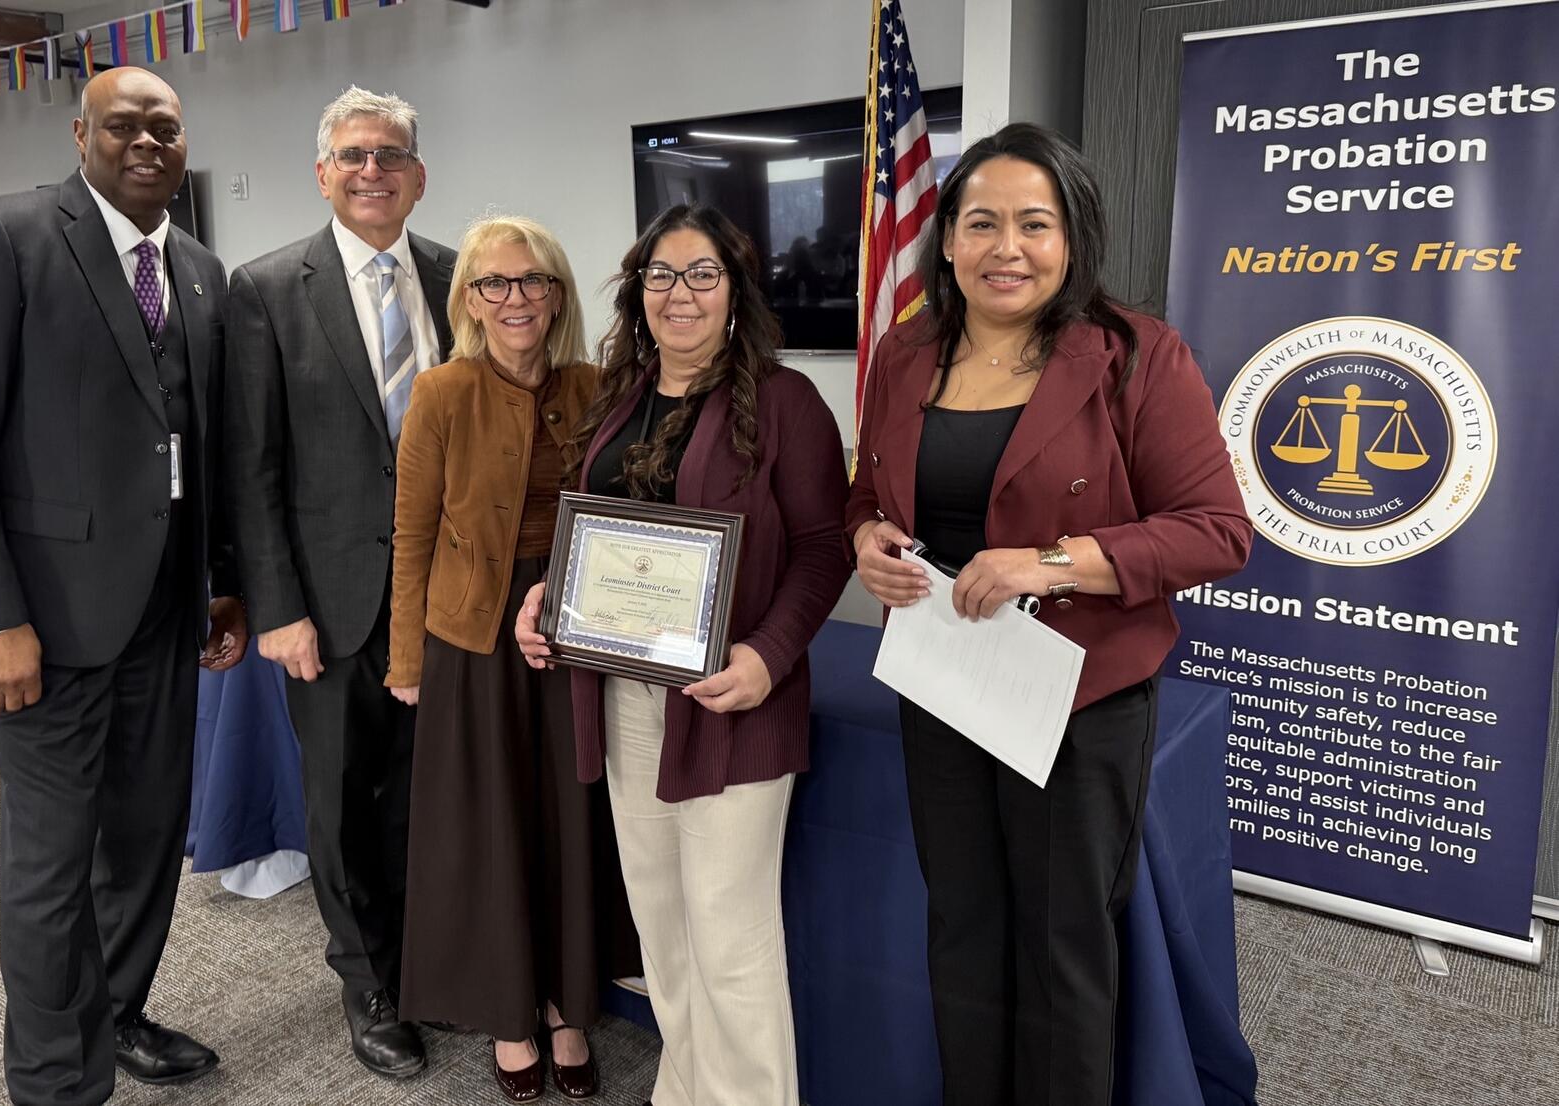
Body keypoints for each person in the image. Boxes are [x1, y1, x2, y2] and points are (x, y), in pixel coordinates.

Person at [846, 122, 1254, 1105]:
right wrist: (864, 539)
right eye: (980, 222)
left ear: (1070, 237)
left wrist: (1049, 563)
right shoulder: (905, 354)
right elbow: (866, 493)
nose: (1006, 247)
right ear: (944, 240)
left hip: (1076, 695)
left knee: (1062, 940)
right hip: (942, 680)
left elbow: (1216, 531)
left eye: (1035, 223)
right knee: (963, 922)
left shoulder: (1133, 355)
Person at [0, 68, 247, 1104]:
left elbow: (197, 443)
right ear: (80, 132)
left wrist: (220, 582)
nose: (148, 140)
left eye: (166, 125)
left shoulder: (196, 268)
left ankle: (120, 1011)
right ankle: (57, 1079)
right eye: (124, 123)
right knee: (54, 862)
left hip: (161, 613)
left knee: (146, 837)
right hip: (40, 622)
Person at [516, 204, 852, 1106]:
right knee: (662, 928)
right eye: (660, 275)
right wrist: (548, 600)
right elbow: (596, 535)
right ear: (638, 293)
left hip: (731, 704)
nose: (680, 293)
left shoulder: (787, 403)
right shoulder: (616, 397)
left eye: (703, 274)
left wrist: (768, 657)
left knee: (730, 938)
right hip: (624, 699)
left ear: (736, 293)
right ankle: (684, 1091)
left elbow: (826, 547)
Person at [223, 86, 453, 1079]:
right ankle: (368, 983)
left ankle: (429, 962)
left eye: (390, 154)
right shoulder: (267, 287)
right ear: (323, 173)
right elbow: (252, 461)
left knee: (426, 795)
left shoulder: (459, 275)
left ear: (418, 175)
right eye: (353, 154)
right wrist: (277, 607)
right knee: (343, 804)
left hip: (449, 600)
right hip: (330, 604)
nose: (372, 170)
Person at [386, 215, 635, 1102]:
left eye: (533, 282)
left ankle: (570, 1009)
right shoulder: (441, 393)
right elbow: (411, 535)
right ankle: (508, 1015)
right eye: (495, 283)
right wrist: (406, 661)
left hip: (574, 630)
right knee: (490, 831)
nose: (515, 298)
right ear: (469, 301)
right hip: (472, 640)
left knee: (571, 820)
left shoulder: (597, 385)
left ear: (558, 295)